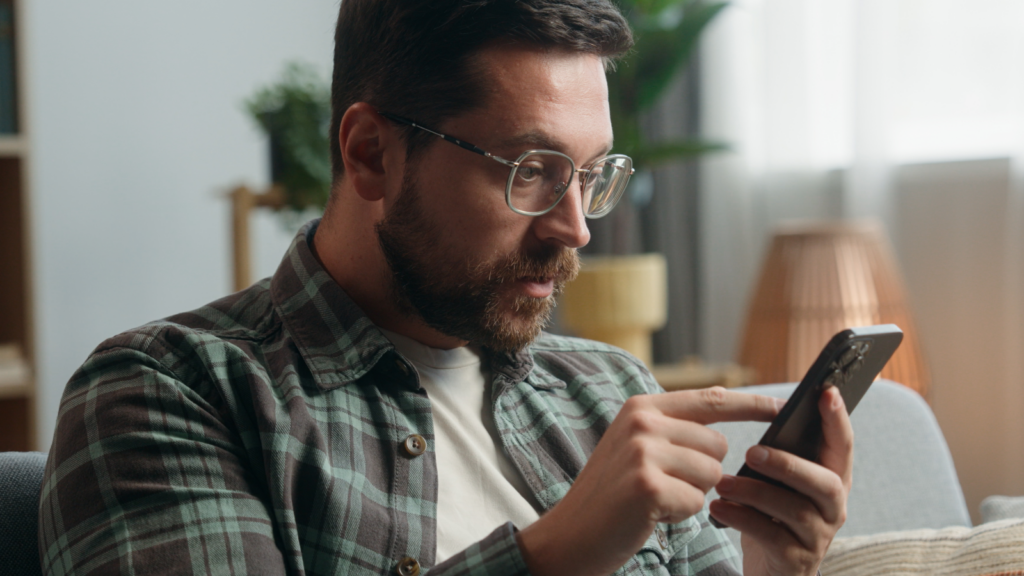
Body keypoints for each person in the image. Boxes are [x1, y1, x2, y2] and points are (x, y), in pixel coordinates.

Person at [39, 1, 852, 575]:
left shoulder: (610, 392)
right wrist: (556, 556)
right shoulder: (170, 393)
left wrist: (774, 569)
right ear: (370, 155)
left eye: (591, 175)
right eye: (531, 171)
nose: (575, 228)